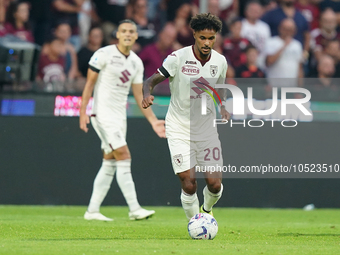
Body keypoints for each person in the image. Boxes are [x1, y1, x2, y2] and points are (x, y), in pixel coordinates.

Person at [142, 13, 230, 220]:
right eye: (202, 38)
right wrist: (147, 93)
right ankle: (195, 223)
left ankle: (206, 211)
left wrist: (223, 106)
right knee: (188, 182)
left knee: (215, 184)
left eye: (211, 38)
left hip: (207, 129)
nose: (207, 42)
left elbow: (220, 88)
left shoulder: (220, 61)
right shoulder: (177, 58)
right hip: (179, 127)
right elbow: (150, 81)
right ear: (194, 35)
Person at [79, 19, 165, 221]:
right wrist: (83, 111)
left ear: (136, 36)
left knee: (109, 162)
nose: (127, 34)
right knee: (124, 155)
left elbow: (137, 95)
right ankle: (134, 209)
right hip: (103, 114)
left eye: (131, 32)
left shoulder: (136, 62)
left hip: (119, 116)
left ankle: (92, 211)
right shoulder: (103, 54)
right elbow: (89, 84)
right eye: (124, 31)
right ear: (117, 34)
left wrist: (153, 121)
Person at [138, 23, 177, 95]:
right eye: (167, 37)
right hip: (151, 92)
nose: (169, 40)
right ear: (161, 34)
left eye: (172, 38)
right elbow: (136, 65)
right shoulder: (149, 50)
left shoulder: (173, 54)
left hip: (168, 94)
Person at [264, 18, 303, 87]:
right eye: (285, 29)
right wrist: (284, 46)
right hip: (274, 85)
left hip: (291, 87)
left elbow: (299, 68)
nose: (287, 32)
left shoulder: (297, 45)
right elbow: (269, 61)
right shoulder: (271, 42)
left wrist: (300, 88)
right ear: (280, 29)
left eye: (290, 29)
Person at [241, 1, 271, 69]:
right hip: (244, 65)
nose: (255, 12)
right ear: (246, 11)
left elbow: (267, 47)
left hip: (261, 65)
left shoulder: (265, 27)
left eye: (257, 11)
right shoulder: (241, 25)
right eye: (252, 10)